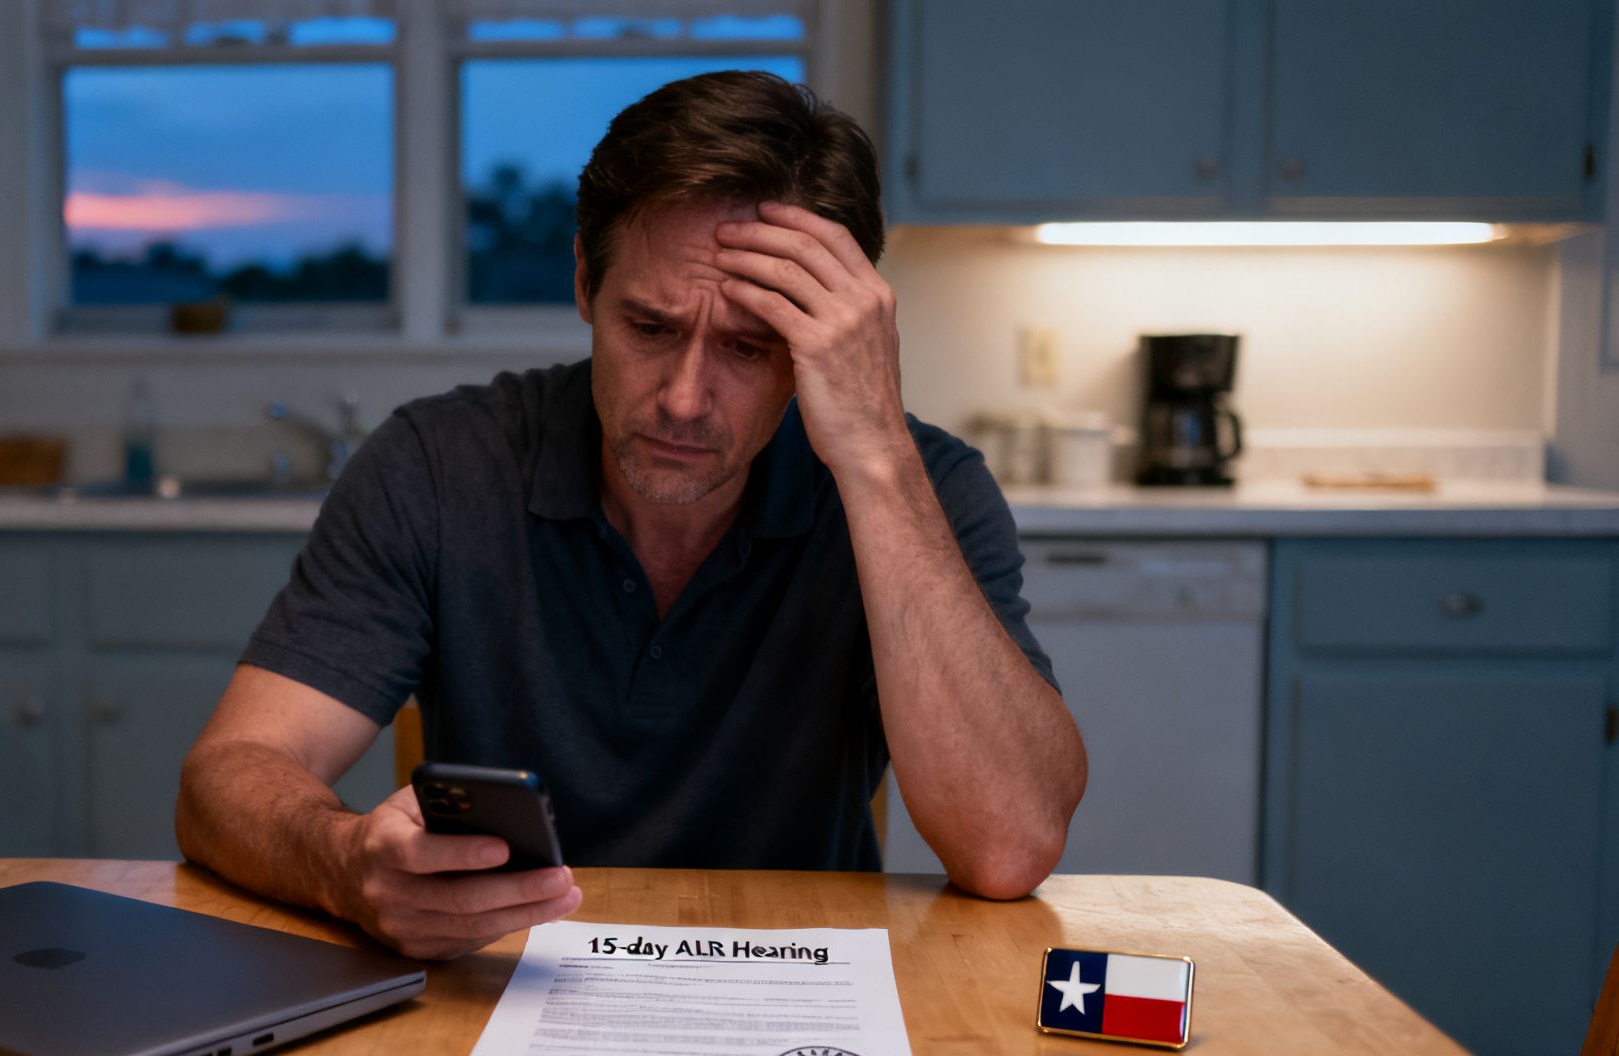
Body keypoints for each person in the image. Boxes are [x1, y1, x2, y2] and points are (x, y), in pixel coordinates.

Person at [176, 70, 1086, 960]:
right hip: (499, 982)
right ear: (583, 283)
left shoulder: (923, 486)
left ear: (828, 341)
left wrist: (878, 456)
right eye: (650, 328)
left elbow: (1008, 848)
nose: (685, 399)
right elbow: (225, 778)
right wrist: (344, 864)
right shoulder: (439, 466)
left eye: (747, 347)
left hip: (800, 993)